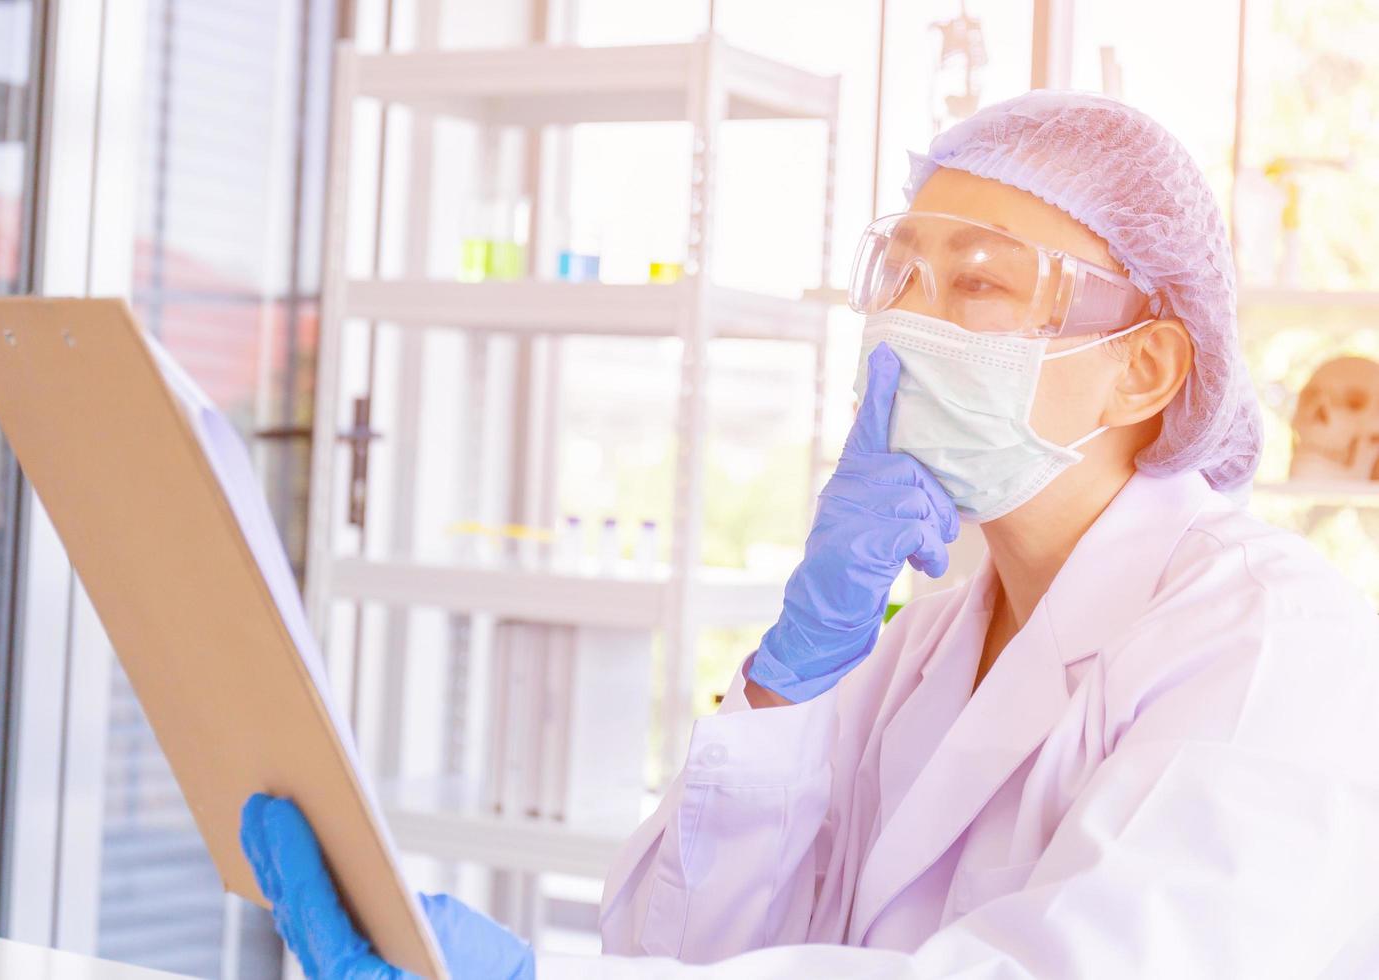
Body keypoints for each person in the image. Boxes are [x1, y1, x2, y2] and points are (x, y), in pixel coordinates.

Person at [239, 92, 1379, 978]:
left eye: (979, 282)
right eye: (901, 272)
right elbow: (679, 950)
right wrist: (790, 681)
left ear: (1143, 365)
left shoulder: (1269, 644)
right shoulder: (919, 645)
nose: (906, 323)